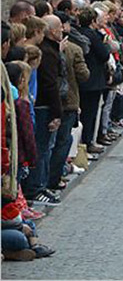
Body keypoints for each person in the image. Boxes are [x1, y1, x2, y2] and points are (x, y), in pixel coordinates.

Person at [22, 15, 64, 206]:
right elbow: (49, 84)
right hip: (42, 106)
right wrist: (57, 112)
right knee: (41, 147)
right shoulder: (44, 52)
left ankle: (41, 184)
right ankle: (35, 187)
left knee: (45, 147)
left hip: (41, 105)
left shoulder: (47, 50)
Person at [48, 12, 89, 192]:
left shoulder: (45, 49)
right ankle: (54, 178)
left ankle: (52, 176)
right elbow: (84, 74)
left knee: (52, 142)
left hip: (53, 101)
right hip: (68, 100)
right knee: (62, 141)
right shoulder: (73, 49)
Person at [77, 7, 111, 156]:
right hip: (93, 79)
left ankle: (86, 142)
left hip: (85, 79)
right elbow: (104, 55)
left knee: (85, 113)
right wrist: (105, 44)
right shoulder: (92, 35)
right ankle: (87, 142)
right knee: (89, 114)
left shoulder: (78, 33)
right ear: (92, 21)